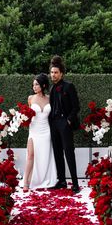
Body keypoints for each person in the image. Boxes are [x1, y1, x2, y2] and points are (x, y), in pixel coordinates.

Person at [49, 55, 80, 193]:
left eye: (56, 72)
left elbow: (76, 107)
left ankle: (75, 183)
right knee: (57, 153)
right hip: (54, 123)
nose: (53, 75)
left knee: (69, 152)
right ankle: (61, 181)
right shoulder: (51, 89)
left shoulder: (69, 86)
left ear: (61, 73)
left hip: (64, 122)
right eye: (51, 72)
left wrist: (68, 120)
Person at [22, 73, 57, 192]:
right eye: (33, 85)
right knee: (30, 155)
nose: (34, 87)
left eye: (36, 84)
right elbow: (27, 114)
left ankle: (44, 179)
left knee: (44, 156)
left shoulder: (49, 98)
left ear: (43, 85)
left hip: (46, 131)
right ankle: (26, 182)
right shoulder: (30, 98)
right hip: (34, 130)